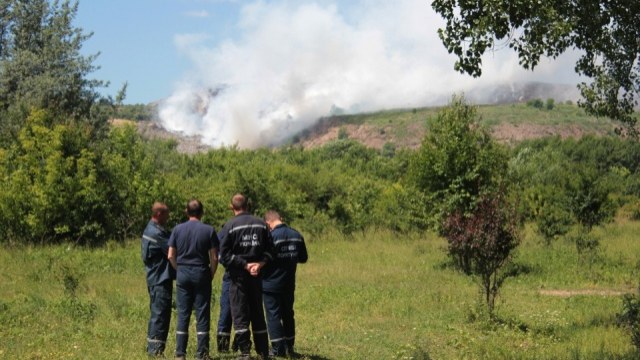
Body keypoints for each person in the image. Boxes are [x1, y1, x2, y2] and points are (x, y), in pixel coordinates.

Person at [219, 194, 273, 360]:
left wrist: (244, 265)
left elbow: (224, 255)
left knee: (240, 313)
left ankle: (244, 352)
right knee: (257, 312)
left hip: (238, 278)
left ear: (232, 207)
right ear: (247, 205)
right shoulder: (262, 224)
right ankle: (263, 351)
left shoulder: (229, 226)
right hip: (256, 277)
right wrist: (259, 265)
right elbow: (271, 251)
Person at [168, 199, 219, 360]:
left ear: (186, 211)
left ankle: (180, 353)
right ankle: (202, 353)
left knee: (183, 313)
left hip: (183, 272)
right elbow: (214, 257)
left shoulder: (177, 229)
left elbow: (170, 255)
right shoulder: (209, 230)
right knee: (202, 313)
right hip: (201, 272)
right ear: (202, 212)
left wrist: (179, 269)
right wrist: (210, 273)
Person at [262, 210, 308, 357]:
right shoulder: (297, 235)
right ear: (280, 219)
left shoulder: (270, 237)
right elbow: (303, 258)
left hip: (271, 284)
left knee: (273, 316)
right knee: (288, 314)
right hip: (289, 284)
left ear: (268, 223)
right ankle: (290, 346)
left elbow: (264, 259)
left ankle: (277, 349)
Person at [141, 202, 174, 357]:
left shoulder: (153, 229)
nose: (168, 217)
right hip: (159, 280)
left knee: (159, 313)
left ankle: (154, 349)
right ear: (159, 214)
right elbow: (172, 249)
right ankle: (155, 351)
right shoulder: (156, 233)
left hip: (158, 279)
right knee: (160, 314)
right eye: (166, 214)